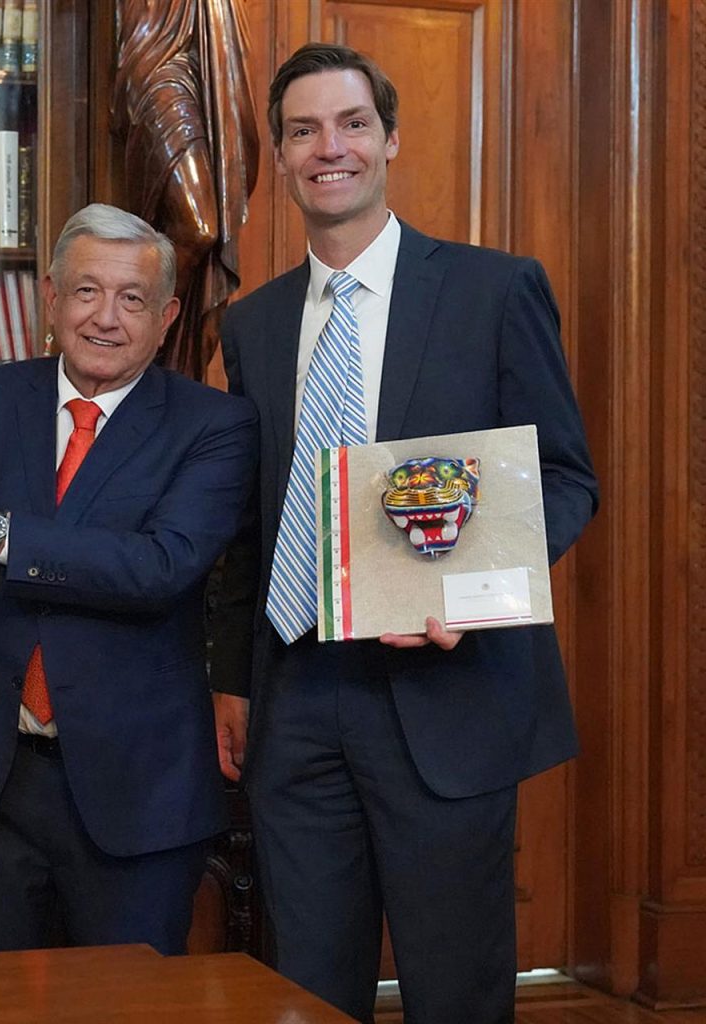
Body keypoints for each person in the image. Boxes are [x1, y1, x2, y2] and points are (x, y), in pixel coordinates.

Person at [208, 43, 600, 1023]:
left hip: (444, 692)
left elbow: (565, 478)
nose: (327, 147)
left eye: (349, 124)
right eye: (302, 131)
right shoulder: (250, 324)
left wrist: (461, 592)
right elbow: (252, 519)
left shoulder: (492, 290)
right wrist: (229, 677)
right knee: (305, 991)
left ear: (390, 138)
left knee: (455, 992)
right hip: (296, 698)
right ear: (284, 155)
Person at [0, 203, 258, 956]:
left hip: (136, 796)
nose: (106, 318)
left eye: (131, 298)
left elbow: (160, 567)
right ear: (49, 300)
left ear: (167, 315)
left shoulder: (214, 426)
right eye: (85, 292)